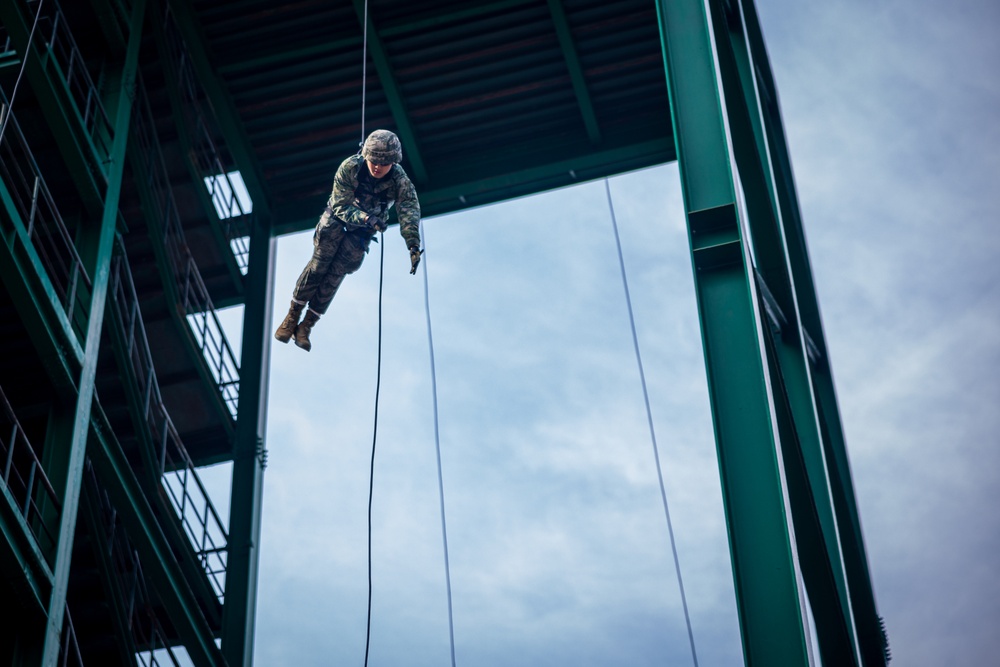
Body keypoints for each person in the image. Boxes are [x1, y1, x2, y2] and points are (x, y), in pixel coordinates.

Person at [274, 129, 422, 351]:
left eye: (383, 162)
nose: (376, 166)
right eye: (372, 160)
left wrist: (413, 244)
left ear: (393, 161)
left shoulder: (400, 181)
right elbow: (341, 205)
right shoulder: (350, 167)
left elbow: (409, 209)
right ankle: (292, 316)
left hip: (361, 234)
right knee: (319, 266)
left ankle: (307, 326)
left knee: (335, 275)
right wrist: (367, 218)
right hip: (337, 220)